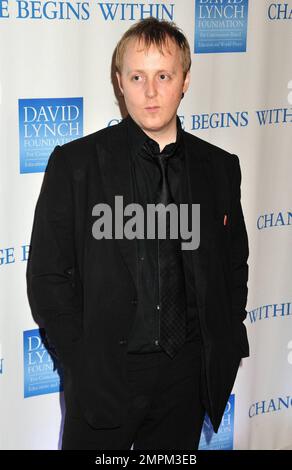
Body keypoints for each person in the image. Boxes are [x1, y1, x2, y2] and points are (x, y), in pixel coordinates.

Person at [26, 17, 249, 450]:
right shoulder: (76, 166)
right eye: (137, 76)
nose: (150, 92)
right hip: (106, 374)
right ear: (119, 82)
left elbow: (233, 264)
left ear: (184, 80)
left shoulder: (220, 168)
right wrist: (80, 360)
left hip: (186, 379)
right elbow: (48, 276)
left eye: (163, 76)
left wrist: (227, 335)